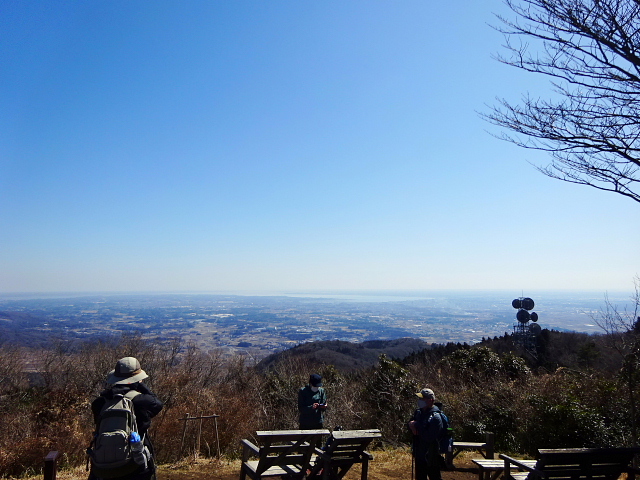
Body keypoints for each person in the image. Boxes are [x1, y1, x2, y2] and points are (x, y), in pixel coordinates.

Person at [89, 357, 163, 480]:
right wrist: (141, 386)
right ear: (137, 379)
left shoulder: (99, 403)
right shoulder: (142, 401)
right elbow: (157, 404)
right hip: (135, 464)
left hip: (103, 464)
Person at [408, 388, 444, 480]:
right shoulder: (418, 413)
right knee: (420, 477)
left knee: (434, 477)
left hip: (432, 454)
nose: (419, 401)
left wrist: (416, 425)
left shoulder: (436, 417)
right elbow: (410, 424)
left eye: (422, 399)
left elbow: (430, 436)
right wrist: (411, 426)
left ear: (430, 400)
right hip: (419, 452)